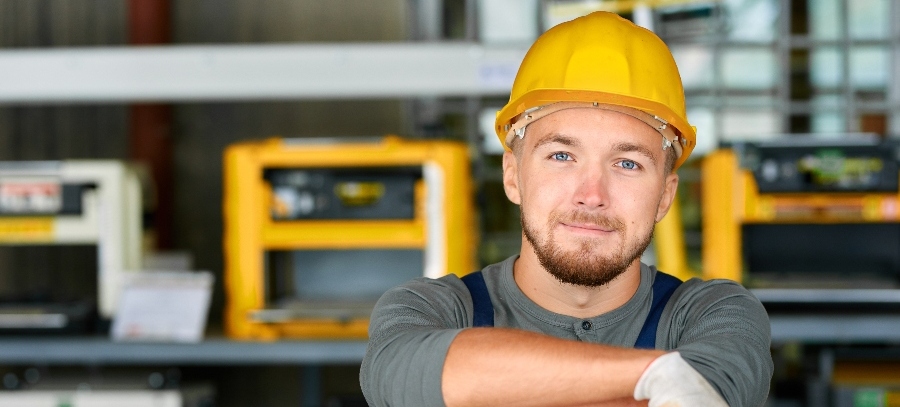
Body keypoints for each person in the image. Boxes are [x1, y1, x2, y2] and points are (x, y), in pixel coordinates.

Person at [360, 11, 772, 407]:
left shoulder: (715, 315)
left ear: (665, 195)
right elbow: (412, 380)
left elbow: (709, 395)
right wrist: (660, 377)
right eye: (561, 156)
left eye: (627, 163)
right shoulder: (427, 309)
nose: (591, 194)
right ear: (512, 175)